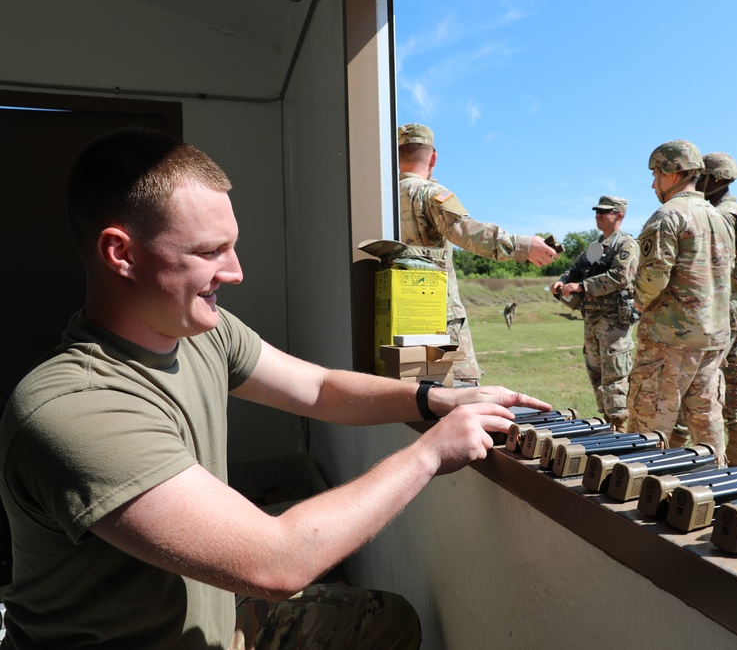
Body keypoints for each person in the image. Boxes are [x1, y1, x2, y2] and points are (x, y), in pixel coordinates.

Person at [0, 127, 552, 650]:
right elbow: (277, 563)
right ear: (121, 253)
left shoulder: (198, 333)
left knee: (386, 620)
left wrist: (431, 398)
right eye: (210, 251)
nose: (236, 271)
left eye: (233, 246)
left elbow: (316, 387)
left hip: (223, 629)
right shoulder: (75, 409)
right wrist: (431, 451)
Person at [397, 123, 559, 384]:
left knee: (410, 392)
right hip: (437, 315)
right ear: (434, 157)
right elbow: (466, 232)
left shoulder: (380, 198)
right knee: (458, 390)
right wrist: (523, 245)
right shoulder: (430, 194)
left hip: (396, 315)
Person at [627, 140, 735, 459]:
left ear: (672, 174)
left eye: (656, 173)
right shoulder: (719, 219)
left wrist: (637, 302)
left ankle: (639, 498)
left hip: (668, 342)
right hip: (712, 340)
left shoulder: (667, 216)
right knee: (707, 427)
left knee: (647, 433)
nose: (652, 183)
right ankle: (716, 492)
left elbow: (653, 278)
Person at [550, 196, 639, 431]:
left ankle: (619, 429)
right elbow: (574, 269)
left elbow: (620, 277)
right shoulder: (594, 247)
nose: (599, 215)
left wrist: (582, 287)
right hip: (591, 321)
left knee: (615, 378)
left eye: (605, 211)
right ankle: (608, 426)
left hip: (614, 324)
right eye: (597, 211)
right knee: (597, 377)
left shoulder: (626, 245)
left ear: (619, 215)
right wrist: (562, 282)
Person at [696, 152, 737, 466]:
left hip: (727, 310)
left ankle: (720, 456)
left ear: (716, 179)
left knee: (712, 380)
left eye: (700, 177)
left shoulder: (722, 215)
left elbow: (713, 268)